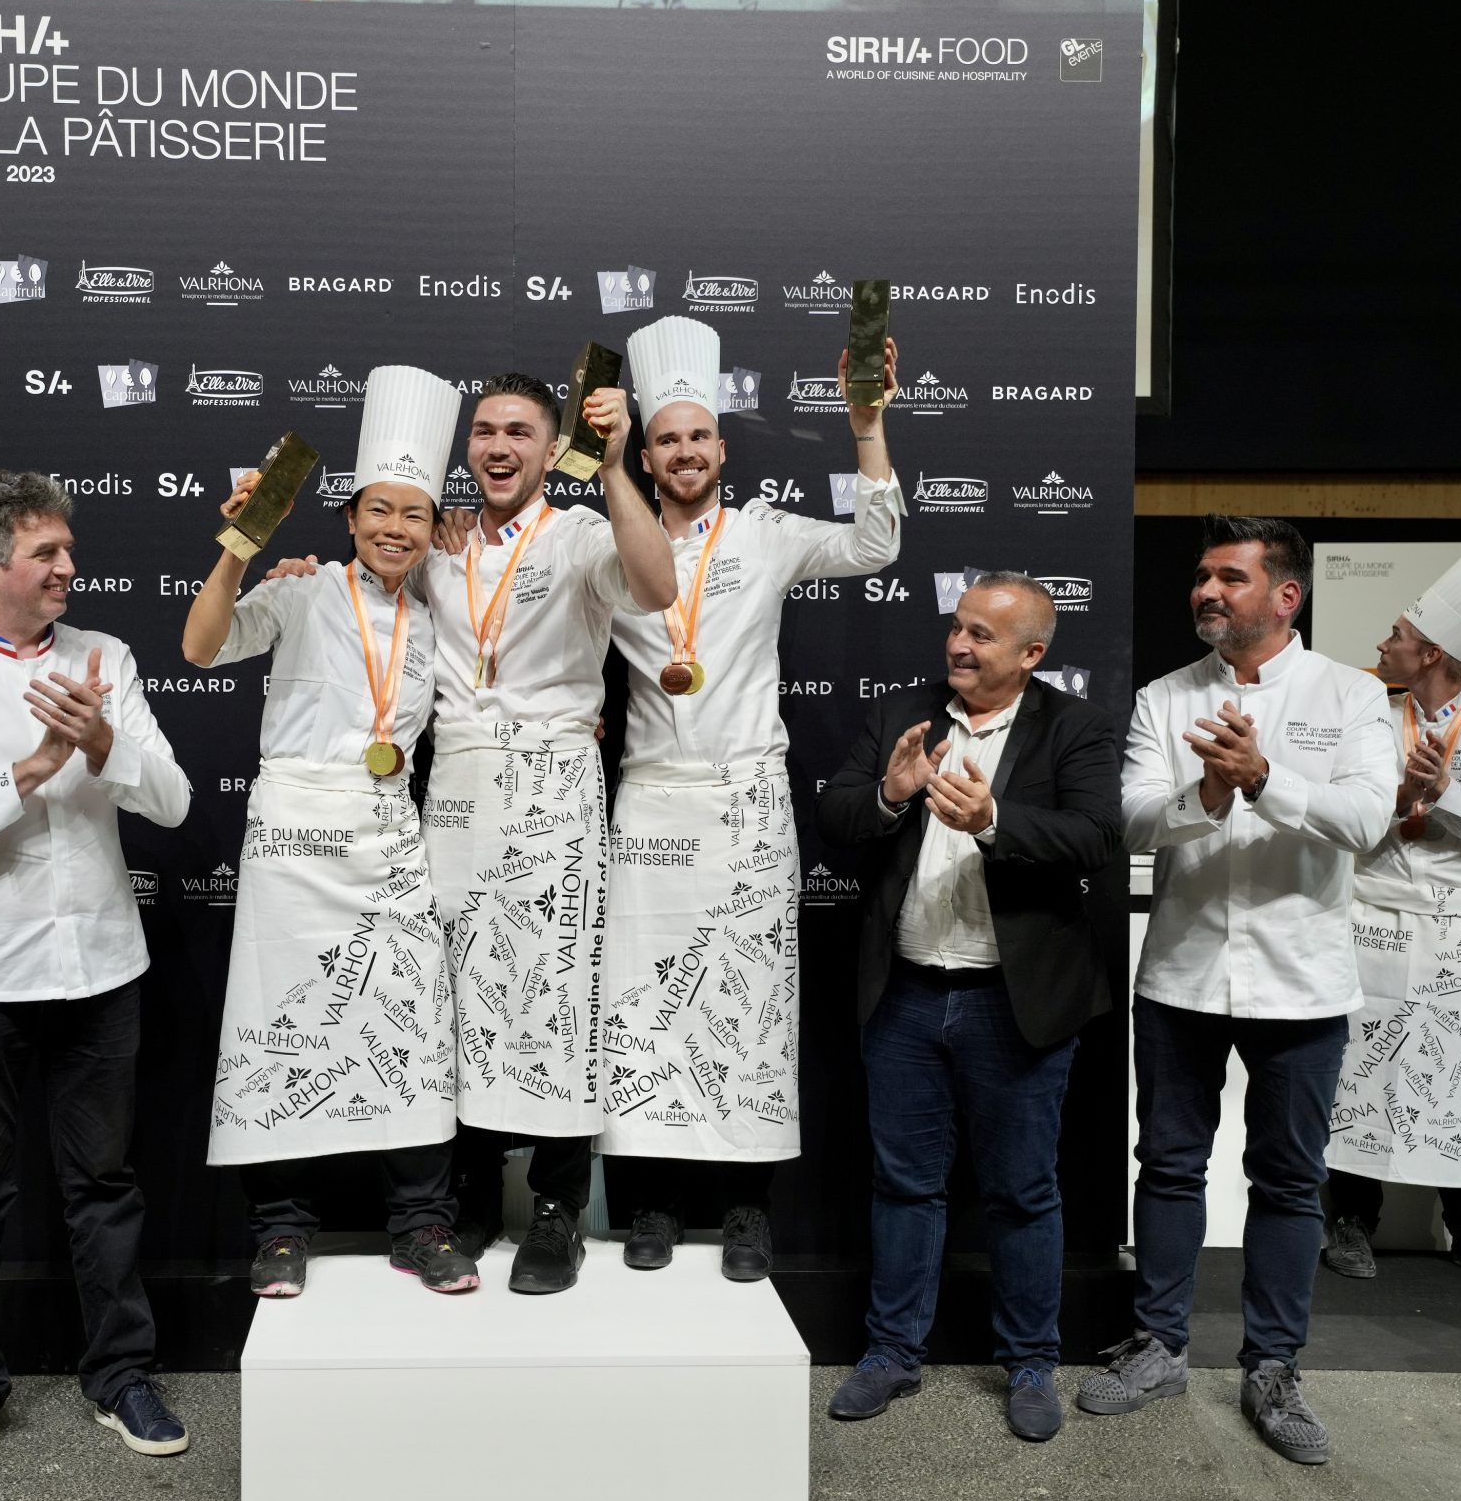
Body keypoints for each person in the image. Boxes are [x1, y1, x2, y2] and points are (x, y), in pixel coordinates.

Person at [0, 470, 195, 1487]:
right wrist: (31, 765)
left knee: (104, 1185)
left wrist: (100, 740)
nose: (68, 568)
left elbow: (177, 802)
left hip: (100, 966)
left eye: (67, 550)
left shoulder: (107, 659)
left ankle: (122, 1374)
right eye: (46, 555)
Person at [594, 316, 902, 1280]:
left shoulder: (768, 536)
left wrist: (865, 426)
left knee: (750, 1000)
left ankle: (744, 1207)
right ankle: (647, 1200)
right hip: (647, 801)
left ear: (721, 449)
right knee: (640, 1005)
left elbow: (878, 545)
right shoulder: (604, 548)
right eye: (667, 439)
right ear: (644, 455)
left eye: (699, 437)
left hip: (744, 801)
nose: (684, 453)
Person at [1085, 515, 1391, 1467]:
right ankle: (1162, 1345)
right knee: (1169, 1167)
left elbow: (1367, 820)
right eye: (1203, 577)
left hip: (1303, 984)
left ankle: (1273, 1368)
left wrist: (1265, 779)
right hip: (1182, 973)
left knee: (1290, 1182)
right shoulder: (1165, 699)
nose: (1206, 592)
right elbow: (1133, 820)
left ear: (1285, 595)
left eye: (1230, 577)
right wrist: (1206, 798)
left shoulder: (1351, 693)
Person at [182, 367, 476, 1300]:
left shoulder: (439, 623)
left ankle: (422, 1223)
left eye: (415, 515)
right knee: (284, 1030)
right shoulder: (301, 592)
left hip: (389, 837)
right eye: (378, 510)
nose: (395, 528)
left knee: (413, 1026)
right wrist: (241, 546)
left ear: (433, 529)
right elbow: (199, 646)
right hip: (293, 843)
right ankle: (279, 1232)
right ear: (349, 520)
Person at [817, 574, 1120, 1441]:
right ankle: (890, 1352)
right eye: (957, 627)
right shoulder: (904, 715)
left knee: (1023, 1192)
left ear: (1032, 654)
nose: (959, 644)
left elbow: (1099, 833)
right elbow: (837, 812)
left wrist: (994, 819)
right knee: (905, 1185)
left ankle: (1031, 1363)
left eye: (983, 635)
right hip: (906, 992)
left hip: (1012, 1002)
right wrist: (892, 792)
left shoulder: (1075, 727)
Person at [424, 370, 676, 1292]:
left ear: (549, 446)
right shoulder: (438, 544)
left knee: (558, 996)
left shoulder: (580, 533)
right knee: (461, 997)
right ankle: (477, 1197)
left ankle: (561, 1208)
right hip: (455, 789)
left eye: (520, 432)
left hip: (554, 790)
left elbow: (656, 585)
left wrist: (614, 468)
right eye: (485, 431)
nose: (498, 446)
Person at [1321, 541, 1461, 1289]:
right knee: (1358, 1069)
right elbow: (1343, 817)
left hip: (1453, 925)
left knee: (1456, 1076)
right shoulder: (1365, 714)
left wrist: (1445, 793)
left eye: (1396, 637)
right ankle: (1349, 1218)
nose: (1381, 645)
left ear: (1432, 654)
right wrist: (1394, 800)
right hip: (1370, 911)